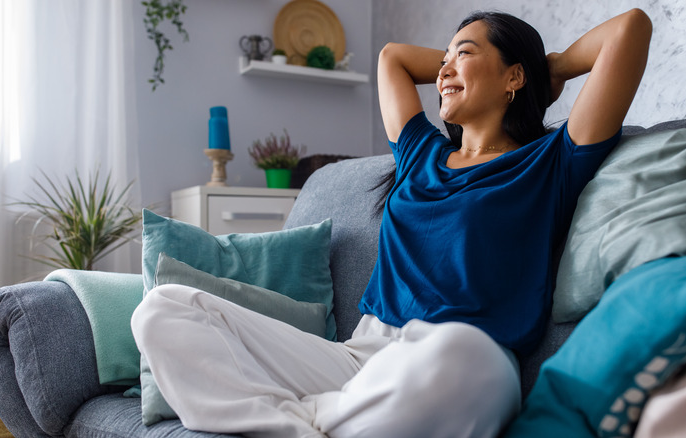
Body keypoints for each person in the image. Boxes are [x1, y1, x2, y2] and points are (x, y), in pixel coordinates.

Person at [132, 8, 652, 438]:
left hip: (462, 354)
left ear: (513, 76)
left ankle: (311, 418)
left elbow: (629, 28)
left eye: (463, 55)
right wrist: (463, 61)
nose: (444, 70)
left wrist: (548, 67)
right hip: (362, 354)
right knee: (164, 308)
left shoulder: (550, 162)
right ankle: (305, 425)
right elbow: (392, 59)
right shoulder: (421, 154)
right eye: (443, 59)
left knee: (465, 358)